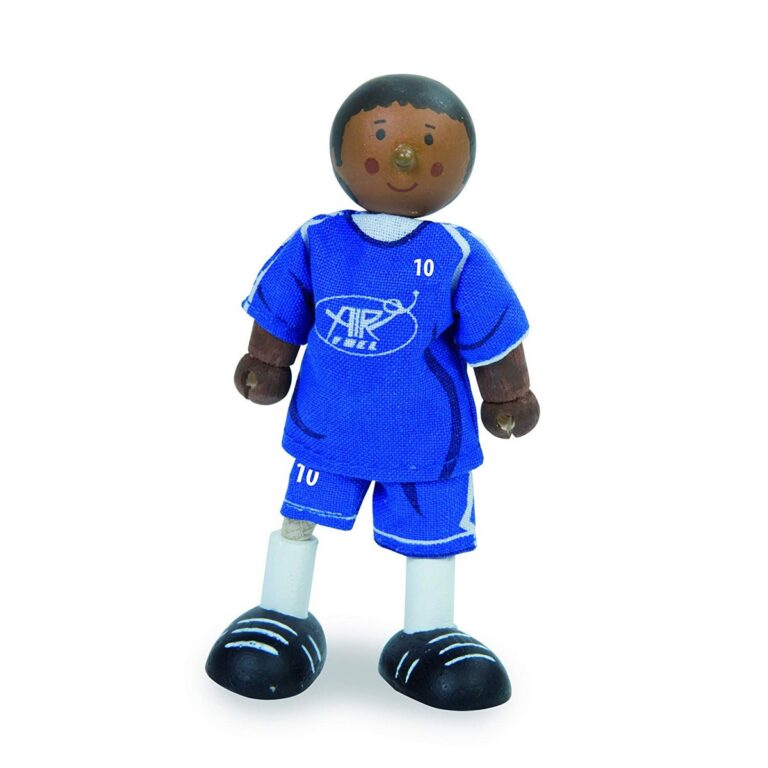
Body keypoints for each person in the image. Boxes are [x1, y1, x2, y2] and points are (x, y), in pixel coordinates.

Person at [206, 74, 540, 710]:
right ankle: (280, 612)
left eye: (427, 142)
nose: (404, 156)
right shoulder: (318, 242)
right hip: (330, 424)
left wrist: (507, 395)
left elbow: (494, 331)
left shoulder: (457, 255)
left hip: (427, 438)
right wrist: (266, 361)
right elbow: (281, 307)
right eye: (383, 138)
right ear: (343, 153)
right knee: (299, 519)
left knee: (433, 533)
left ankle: (429, 632)